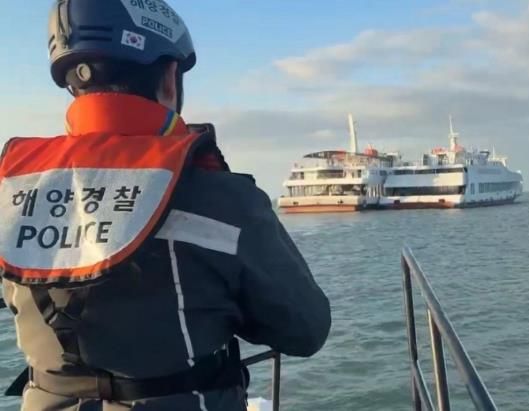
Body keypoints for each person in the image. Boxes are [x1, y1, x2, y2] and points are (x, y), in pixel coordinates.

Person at [0, 0, 331, 410]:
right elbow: (305, 330)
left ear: (73, 83)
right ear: (170, 79)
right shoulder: (224, 199)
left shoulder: (13, 190)